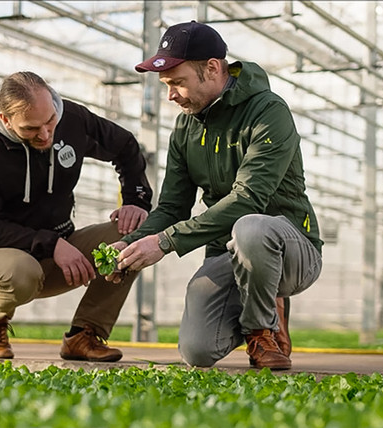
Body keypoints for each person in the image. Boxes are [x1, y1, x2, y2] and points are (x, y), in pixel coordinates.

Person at [107, 21, 323, 370]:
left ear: (212, 68)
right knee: (198, 351)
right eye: (166, 85)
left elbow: (248, 199)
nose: (171, 95)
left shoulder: (269, 112)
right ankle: (262, 305)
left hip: (290, 250)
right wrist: (132, 244)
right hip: (228, 252)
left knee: (251, 228)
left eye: (178, 83)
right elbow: (173, 207)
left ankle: (261, 329)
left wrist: (164, 243)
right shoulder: (185, 126)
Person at [0, 71, 152, 361]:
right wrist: (53, 244)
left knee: (132, 239)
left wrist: (136, 200)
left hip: (58, 251)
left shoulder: (71, 119)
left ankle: (85, 335)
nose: (45, 134)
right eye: (31, 128)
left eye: (50, 122)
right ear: (6, 120)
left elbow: (125, 145)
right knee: (22, 270)